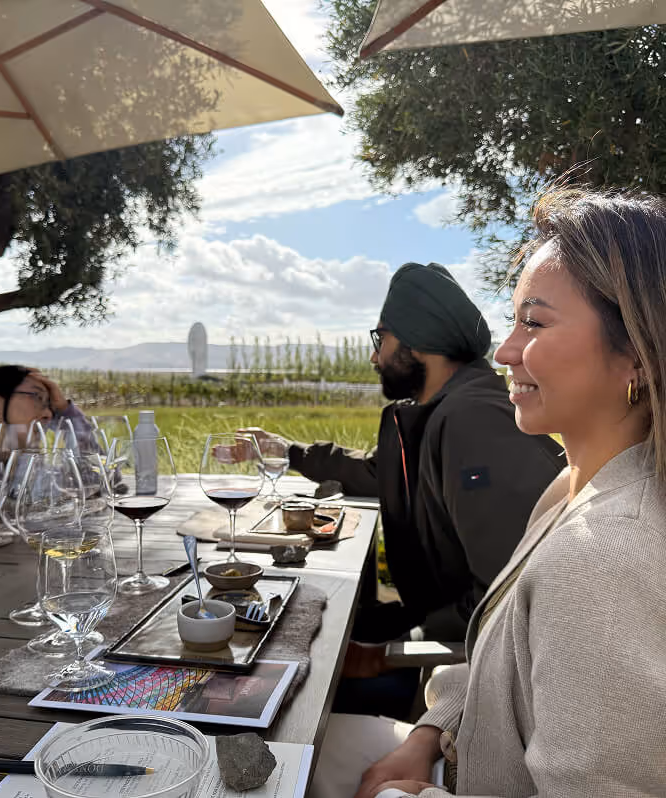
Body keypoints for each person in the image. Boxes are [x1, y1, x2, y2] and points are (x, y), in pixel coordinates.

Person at [311, 187, 666, 798]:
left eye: (535, 322)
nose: (504, 351)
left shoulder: (603, 556)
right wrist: (432, 732)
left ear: (634, 353)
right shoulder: (569, 489)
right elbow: (511, 651)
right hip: (459, 747)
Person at [242, 262, 564, 716]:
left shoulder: (473, 422)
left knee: (275, 688)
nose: (375, 358)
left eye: (382, 339)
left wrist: (393, 649)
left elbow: (506, 595)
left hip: (466, 670)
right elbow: (379, 473)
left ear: (418, 342)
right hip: (436, 628)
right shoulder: (434, 413)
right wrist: (288, 452)